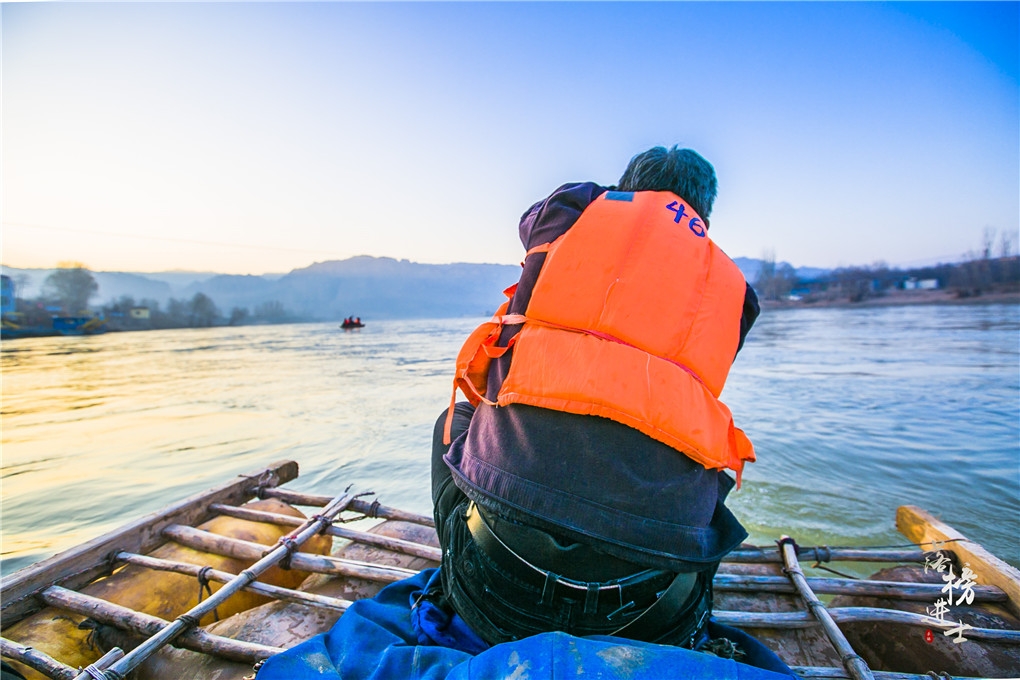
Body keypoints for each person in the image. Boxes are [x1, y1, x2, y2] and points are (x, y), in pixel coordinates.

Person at [429, 145, 760, 650]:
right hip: (651, 616)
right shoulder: (737, 295)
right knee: (699, 460)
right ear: (706, 214)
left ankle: (459, 584)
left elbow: (530, 219)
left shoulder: (568, 214)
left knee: (450, 425)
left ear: (624, 187)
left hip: (494, 594)